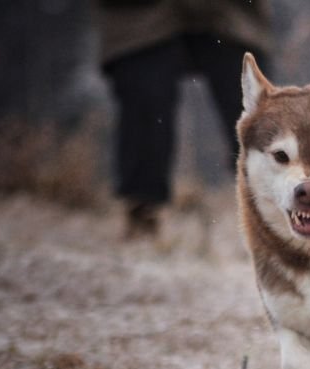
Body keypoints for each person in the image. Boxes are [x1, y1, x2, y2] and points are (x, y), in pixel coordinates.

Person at [96, 0, 272, 238]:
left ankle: (272, 204)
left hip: (230, 14)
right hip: (144, 17)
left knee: (257, 101)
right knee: (145, 91)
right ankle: (142, 207)